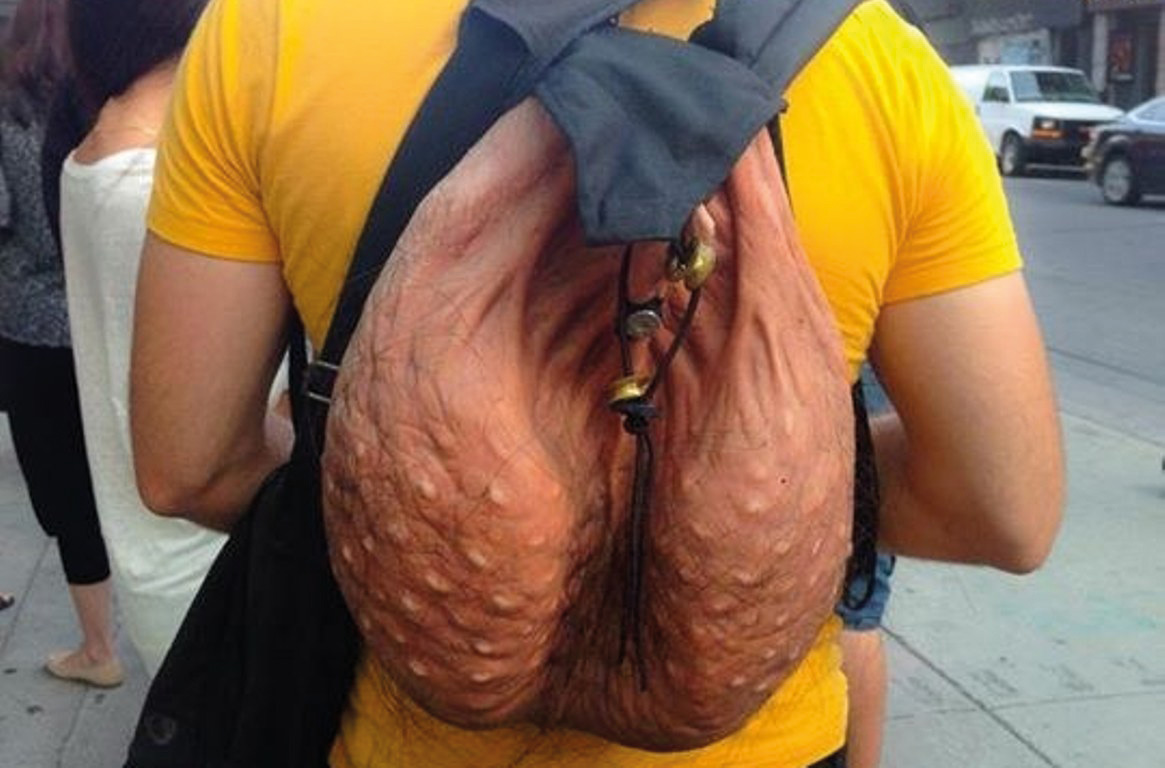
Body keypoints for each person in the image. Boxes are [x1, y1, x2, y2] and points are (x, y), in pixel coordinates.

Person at [129, 1, 1065, 766]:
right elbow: (1000, 510)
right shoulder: (881, 64)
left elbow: (189, 468)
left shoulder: (276, 26)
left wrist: (435, 515)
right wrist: (755, 515)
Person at [56, 0, 222, 676]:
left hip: (167, 560)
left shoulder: (104, 152)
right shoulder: (151, 185)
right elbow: (218, 428)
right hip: (204, 564)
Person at [0, 0, 122, 689]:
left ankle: (98, 649)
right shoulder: (108, 99)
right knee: (119, 472)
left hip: (33, 328)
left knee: (63, 487)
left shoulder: (8, 110)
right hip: (107, 313)